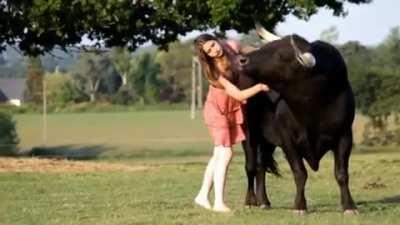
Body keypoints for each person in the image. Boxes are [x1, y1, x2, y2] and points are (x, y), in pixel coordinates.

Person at [193, 34, 269, 212]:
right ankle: (219, 202)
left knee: (218, 154)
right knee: (226, 153)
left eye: (213, 45)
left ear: (217, 40)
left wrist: (265, 52)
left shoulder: (231, 46)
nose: (214, 50)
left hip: (230, 110)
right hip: (217, 111)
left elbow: (254, 53)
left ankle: (202, 195)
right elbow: (238, 95)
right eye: (209, 51)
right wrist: (260, 87)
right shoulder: (212, 72)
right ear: (205, 55)